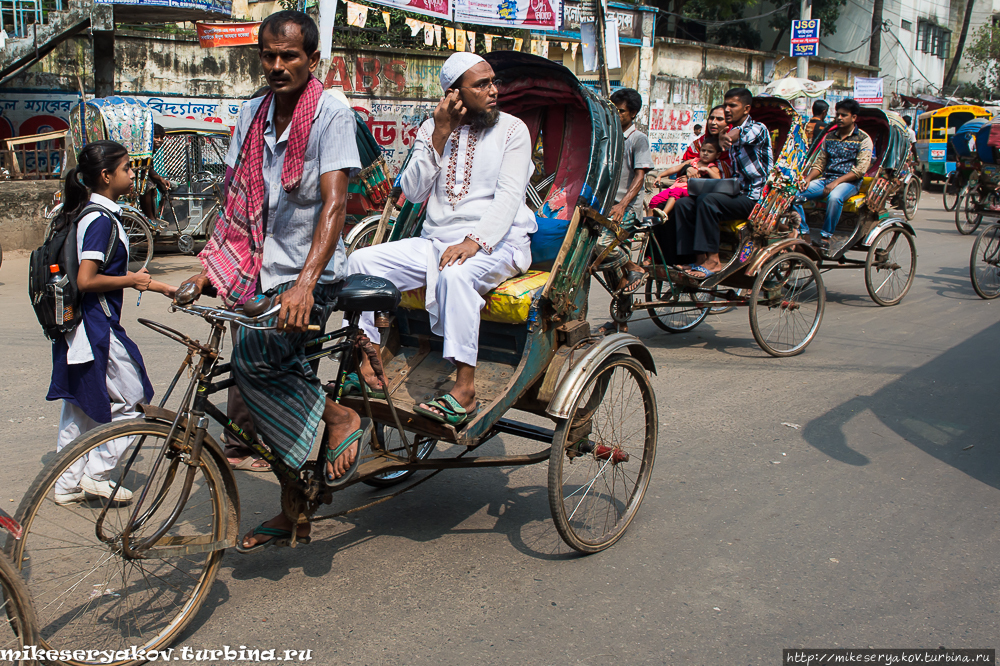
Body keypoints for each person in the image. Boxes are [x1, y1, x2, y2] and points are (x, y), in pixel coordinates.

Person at [181, 10, 363, 552]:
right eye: (269, 55)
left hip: (312, 273)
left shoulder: (332, 113)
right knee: (270, 393)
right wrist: (210, 269)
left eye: (290, 56)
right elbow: (238, 198)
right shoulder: (251, 115)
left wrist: (305, 285)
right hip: (260, 270)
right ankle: (295, 506)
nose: (278, 65)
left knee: (254, 363)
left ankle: (339, 415)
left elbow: (334, 205)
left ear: (313, 61)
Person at [347, 52, 535, 426]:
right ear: (454, 94)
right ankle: (368, 365)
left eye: (493, 82)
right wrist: (439, 134)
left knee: (456, 274)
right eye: (481, 85)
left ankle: (464, 390)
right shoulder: (431, 128)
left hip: (499, 242)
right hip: (436, 242)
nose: (493, 91)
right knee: (360, 263)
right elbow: (414, 193)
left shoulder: (514, 130)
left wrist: (475, 241)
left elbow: (510, 197)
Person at [47, 140, 176, 505]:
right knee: (134, 398)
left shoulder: (84, 212)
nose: (134, 174)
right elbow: (88, 280)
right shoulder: (101, 221)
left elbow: (110, 273)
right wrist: (132, 281)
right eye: (127, 169)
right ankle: (97, 474)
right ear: (106, 176)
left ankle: (66, 482)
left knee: (79, 404)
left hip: (78, 325)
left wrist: (162, 287)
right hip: (95, 324)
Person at [674, 87, 772, 280]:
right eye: (725, 105)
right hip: (736, 192)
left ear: (746, 109)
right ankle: (697, 257)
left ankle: (714, 260)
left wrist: (726, 137)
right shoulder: (726, 131)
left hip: (755, 199)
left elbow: (741, 134)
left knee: (708, 201)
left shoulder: (758, 128)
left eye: (732, 106)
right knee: (683, 203)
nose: (727, 109)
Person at [594, 87, 655, 296]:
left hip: (626, 207)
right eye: (613, 110)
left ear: (633, 114)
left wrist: (622, 205)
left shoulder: (638, 139)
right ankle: (621, 321)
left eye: (621, 111)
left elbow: (640, 176)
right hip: (605, 205)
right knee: (595, 254)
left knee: (602, 245)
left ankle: (633, 267)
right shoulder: (608, 137)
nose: (616, 115)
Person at [792, 98, 873, 253]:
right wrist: (807, 179)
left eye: (844, 115)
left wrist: (836, 182)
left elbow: (860, 170)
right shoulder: (829, 137)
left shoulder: (864, 139)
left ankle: (826, 237)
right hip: (826, 179)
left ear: (854, 117)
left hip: (849, 183)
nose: (839, 118)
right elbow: (820, 163)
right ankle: (805, 233)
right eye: (838, 115)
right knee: (794, 193)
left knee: (835, 197)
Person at [656, 105, 732, 186]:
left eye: (719, 119)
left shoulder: (733, 145)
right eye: (711, 118)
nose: (713, 122)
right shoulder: (699, 143)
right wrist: (688, 169)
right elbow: (684, 164)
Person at [648, 137, 723, 216]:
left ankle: (664, 214)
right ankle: (649, 224)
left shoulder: (711, 167)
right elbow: (676, 168)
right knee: (655, 200)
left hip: (687, 190)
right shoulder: (693, 161)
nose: (705, 153)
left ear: (717, 155)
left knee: (675, 193)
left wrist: (707, 170)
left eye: (710, 151)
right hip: (674, 187)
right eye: (703, 150)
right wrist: (661, 175)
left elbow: (718, 178)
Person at [139, 124, 171, 219]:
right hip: (137, 177)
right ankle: (150, 218)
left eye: (162, 138)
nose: (160, 140)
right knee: (148, 186)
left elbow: (150, 168)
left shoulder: (151, 150)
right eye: (156, 137)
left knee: (161, 187)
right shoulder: (143, 149)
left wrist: (161, 179)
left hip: (144, 175)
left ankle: (156, 216)